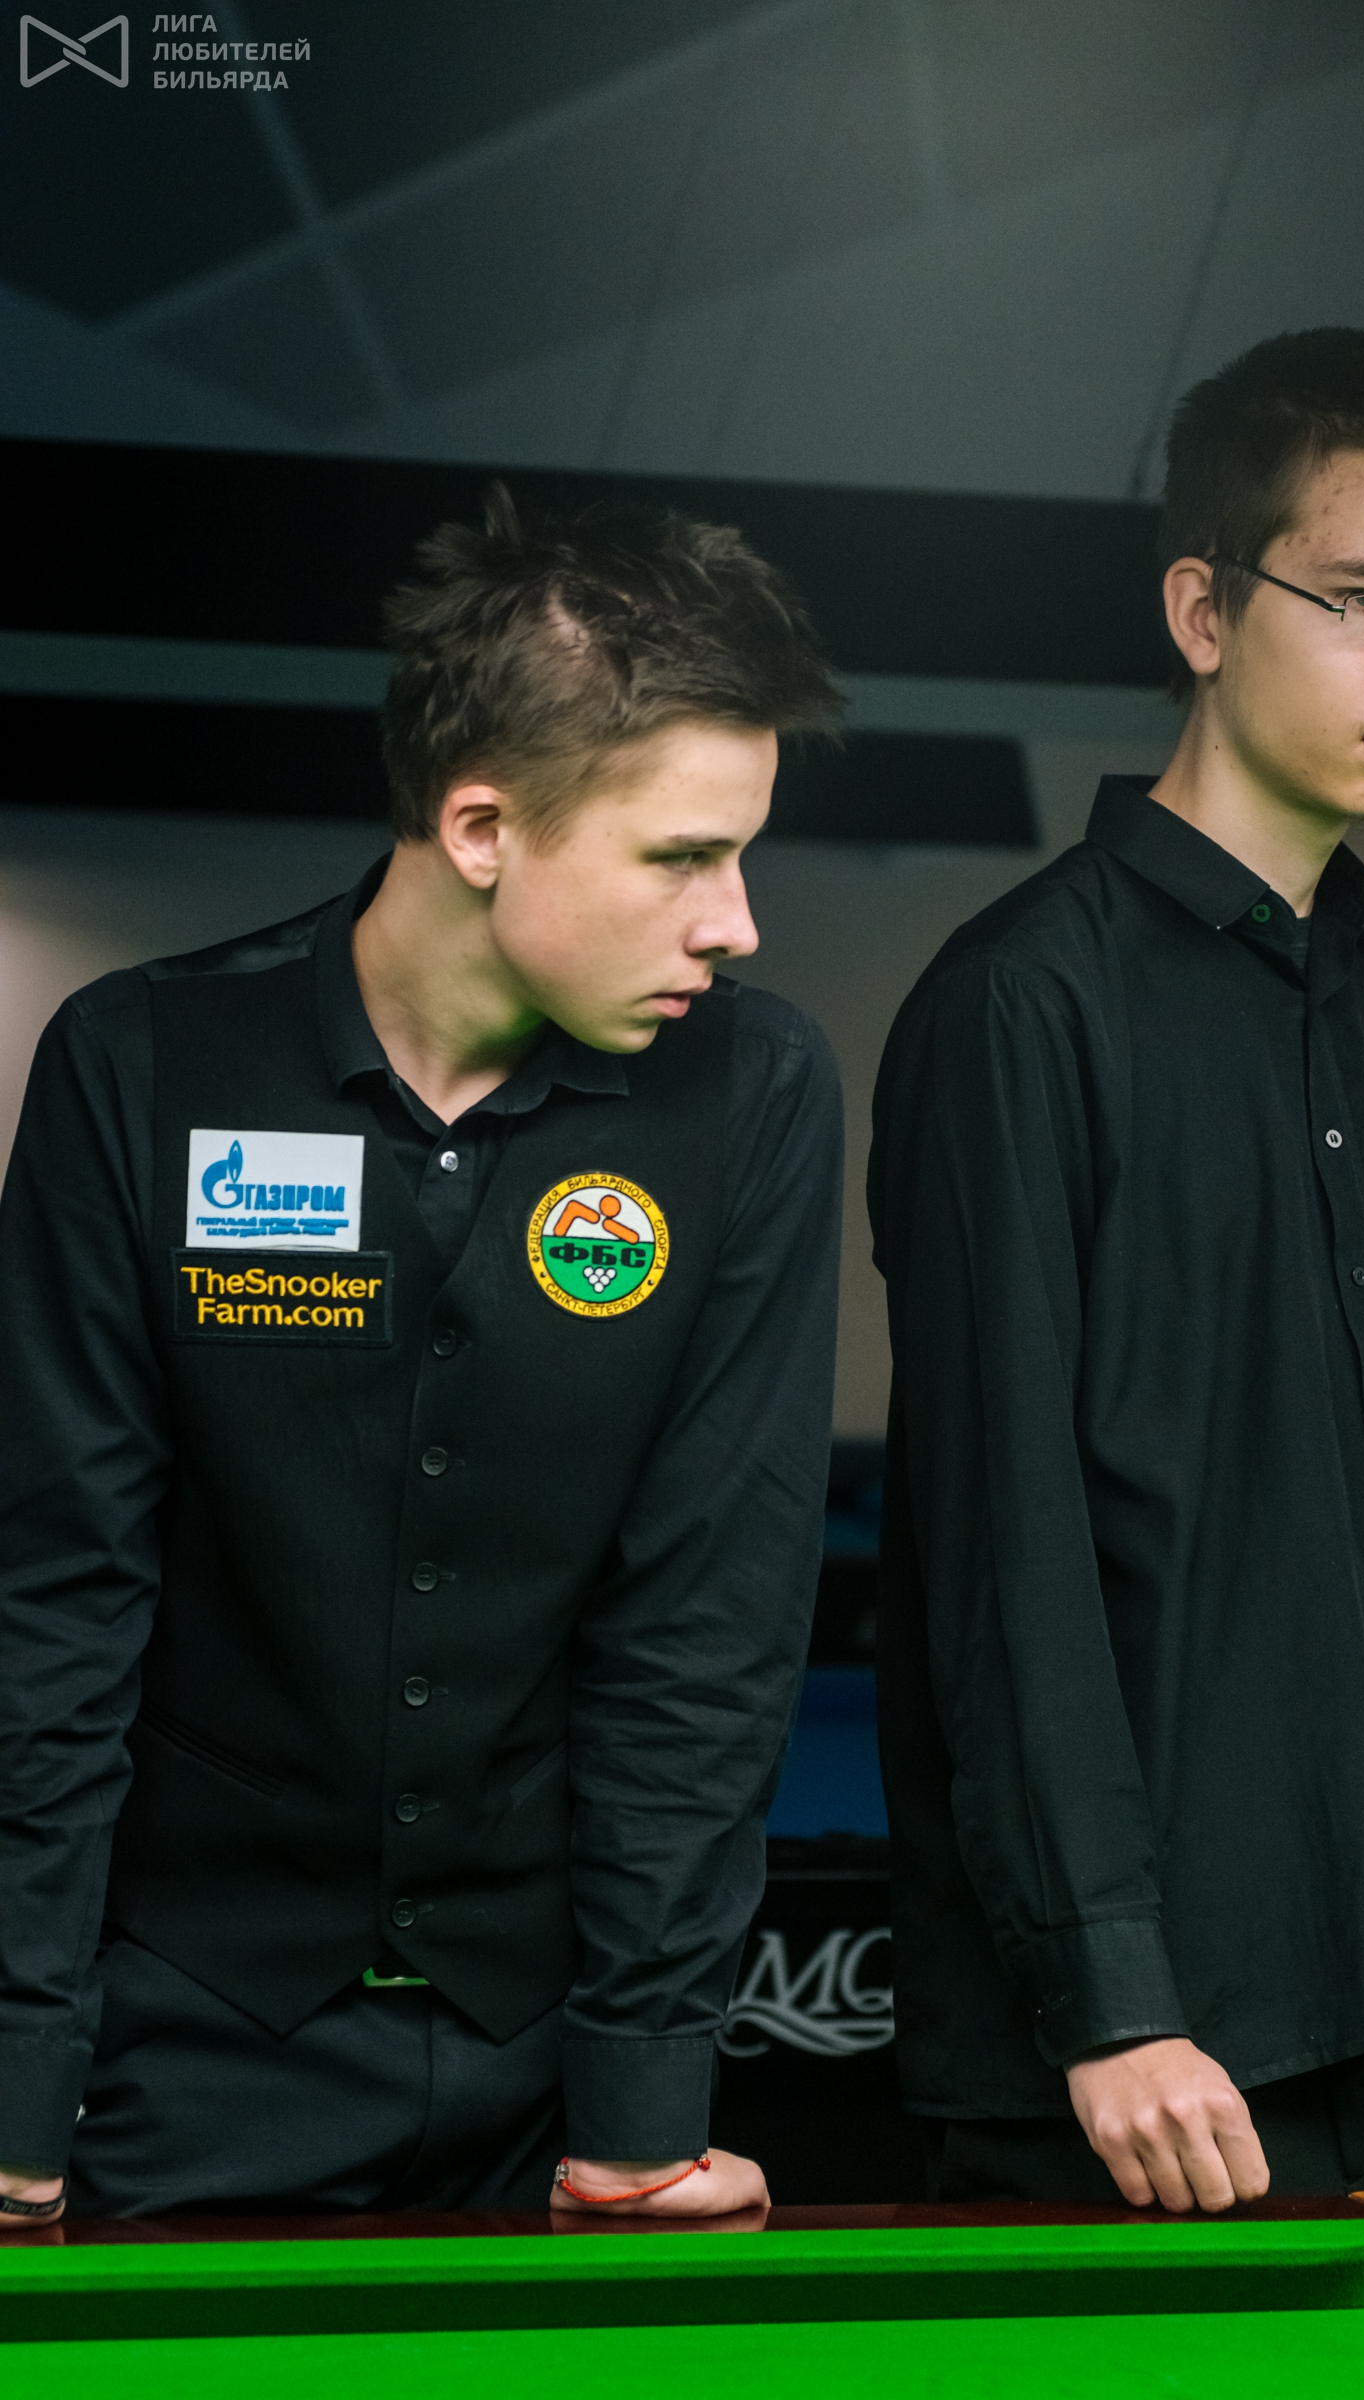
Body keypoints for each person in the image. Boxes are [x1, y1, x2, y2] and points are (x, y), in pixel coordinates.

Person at [0, 490, 843, 2222]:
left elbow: (707, 1625)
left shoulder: (751, 1095)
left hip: (551, 2065)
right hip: (178, 2051)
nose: (735, 921)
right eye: (680, 858)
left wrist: (640, 2096)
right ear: (479, 826)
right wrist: (14, 2085)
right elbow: (53, 1607)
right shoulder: (141, 1065)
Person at [869, 328, 1364, 2212]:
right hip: (1160, 2044)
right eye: (1362, 598)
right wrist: (1109, 1997)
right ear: (1203, 609)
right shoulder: (1019, 1006)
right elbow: (1001, 1550)